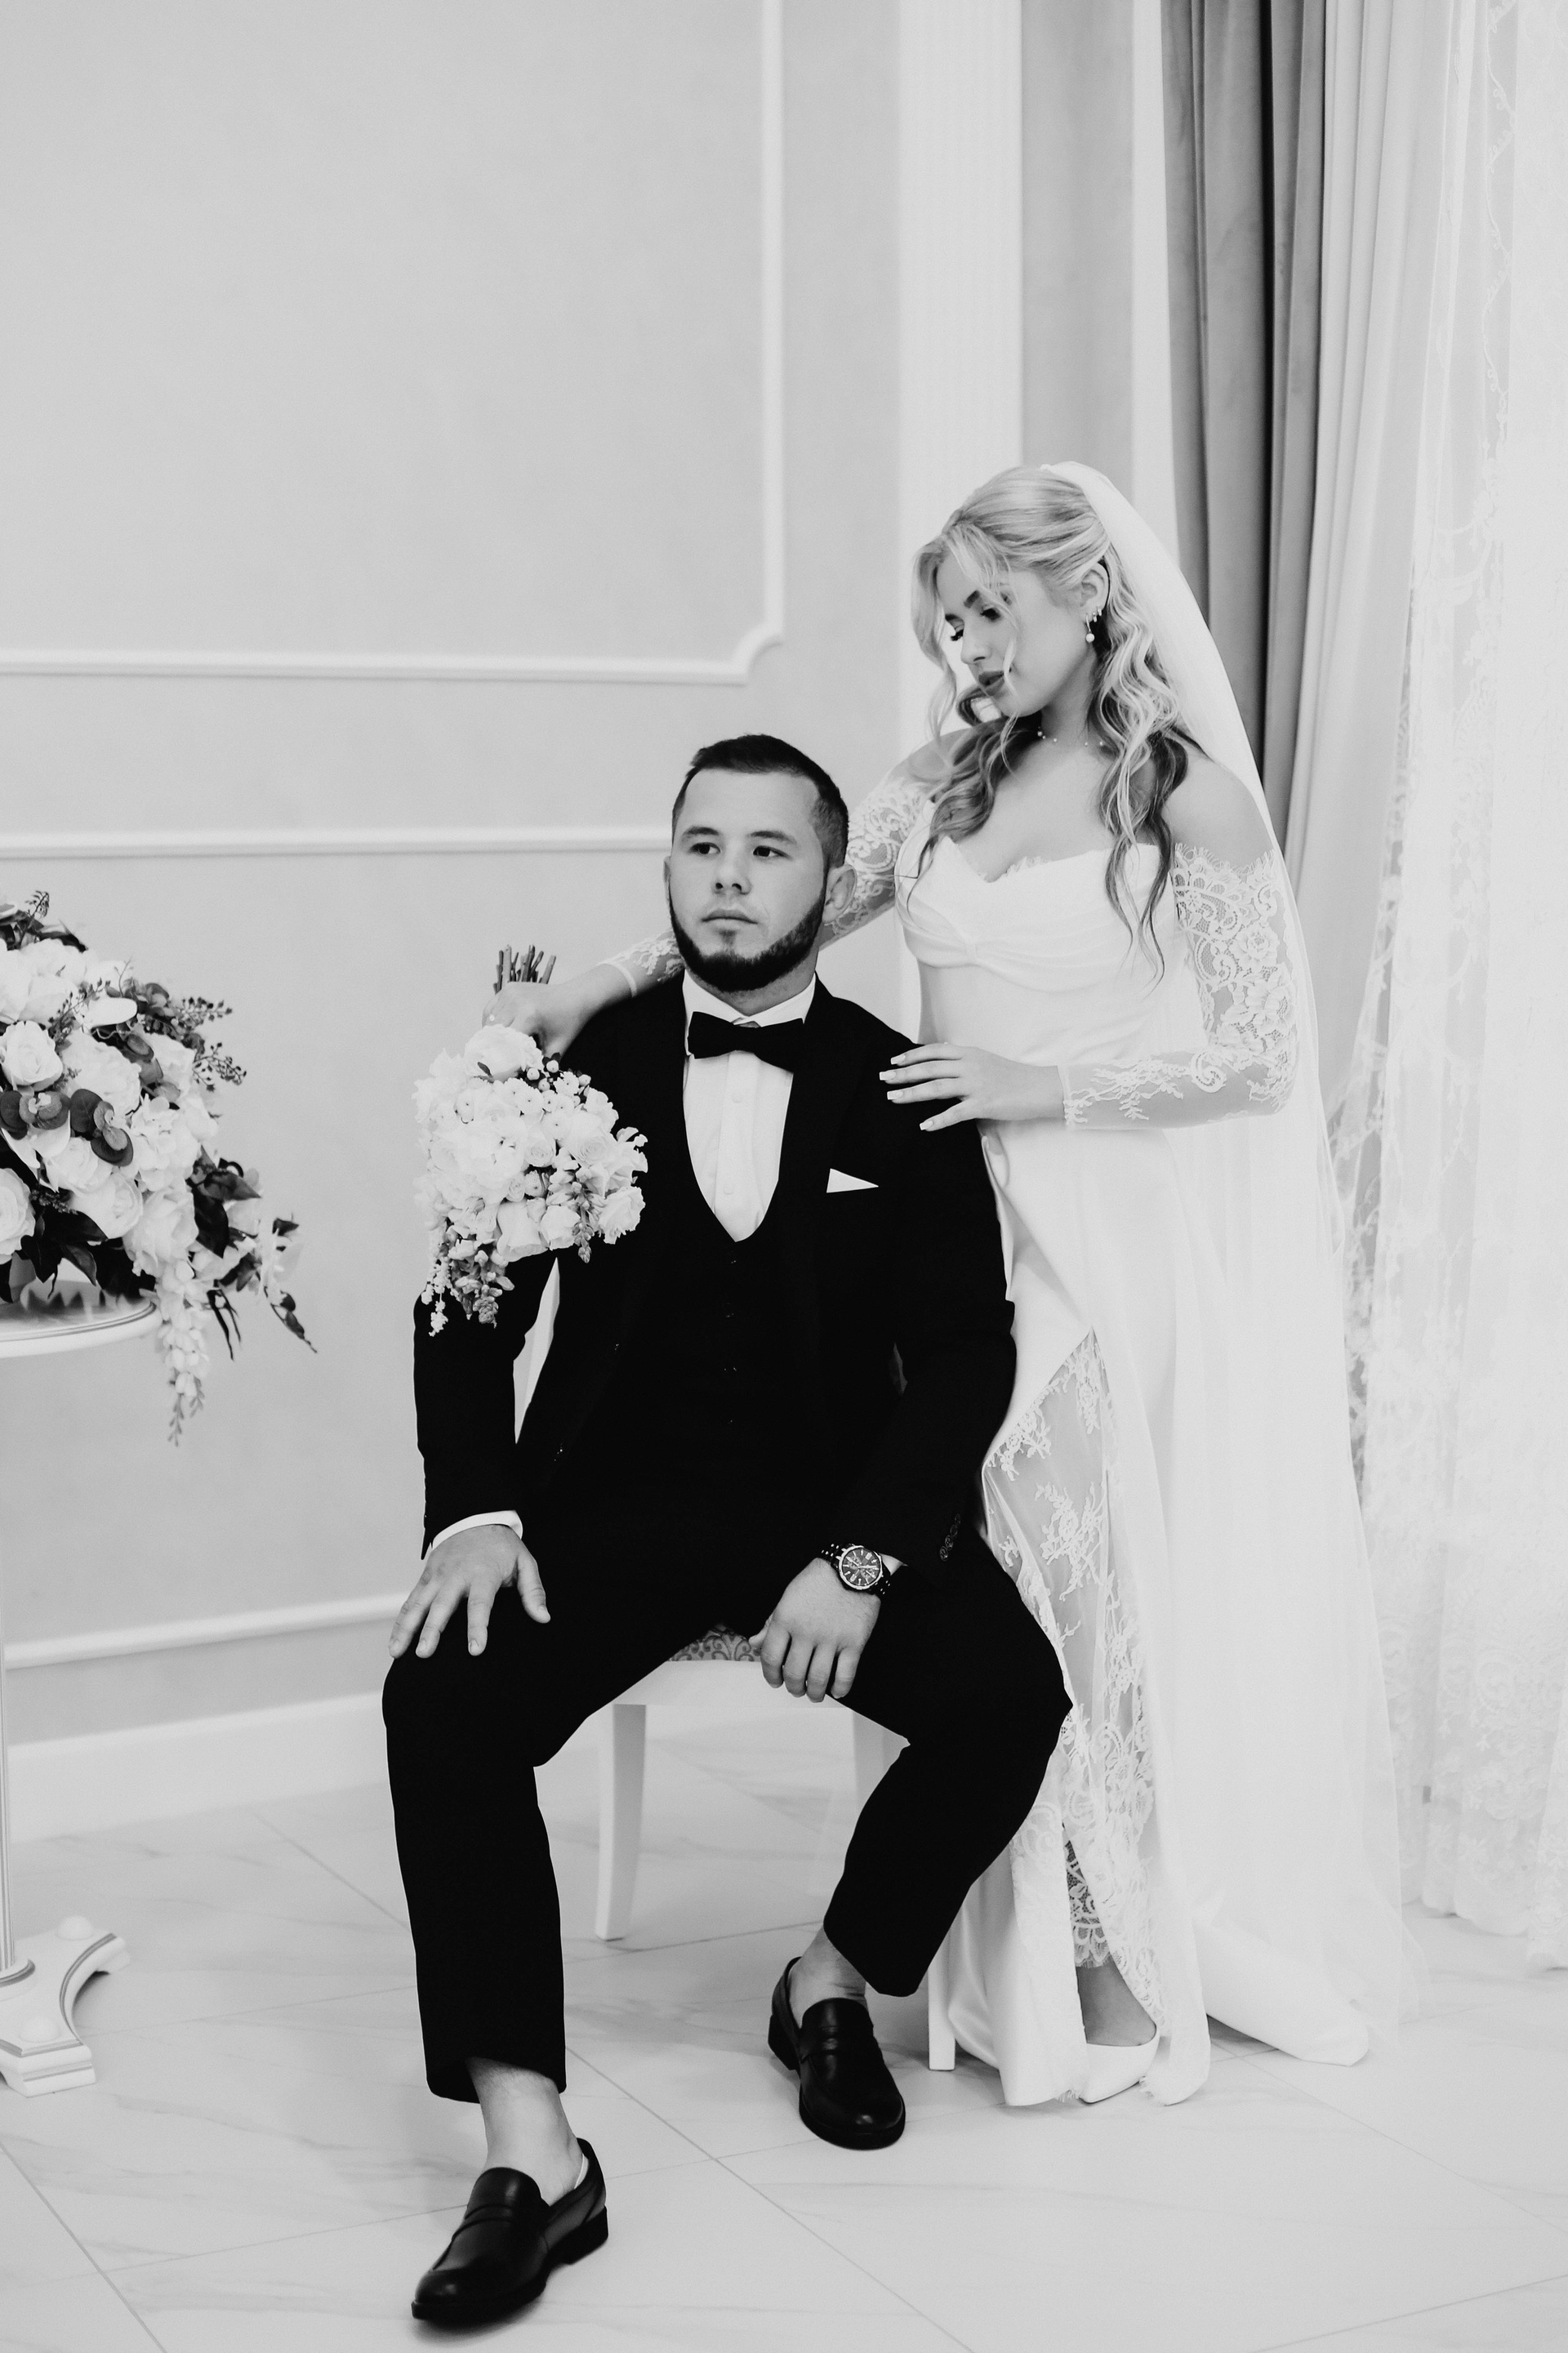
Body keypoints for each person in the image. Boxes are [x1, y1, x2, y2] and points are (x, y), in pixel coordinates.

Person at [492, 466, 1405, 2110]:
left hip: (1097, 1230)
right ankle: (964, 1938)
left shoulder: (1185, 796)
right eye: (953, 618)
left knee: (1071, 1586)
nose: (971, 645)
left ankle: (1098, 1944)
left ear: (1091, 595)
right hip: (941, 1231)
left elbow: (1264, 1056)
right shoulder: (936, 787)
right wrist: (598, 984)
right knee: (973, 1567)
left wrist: (1034, 1084)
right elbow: (772, 914)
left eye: (995, 608)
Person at [385, 732, 1069, 2329]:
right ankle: (533, 2151)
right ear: (668, 868)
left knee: (1011, 1698)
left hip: (828, 1507)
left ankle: (831, 1973)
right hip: (610, 1503)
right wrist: (475, 1508)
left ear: (832, 881)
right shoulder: (567, 1070)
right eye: (702, 847)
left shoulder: (899, 1092)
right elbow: (467, 1306)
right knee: (441, 1694)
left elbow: (965, 1353)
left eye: (769, 851)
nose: (730, 879)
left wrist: (862, 1557)